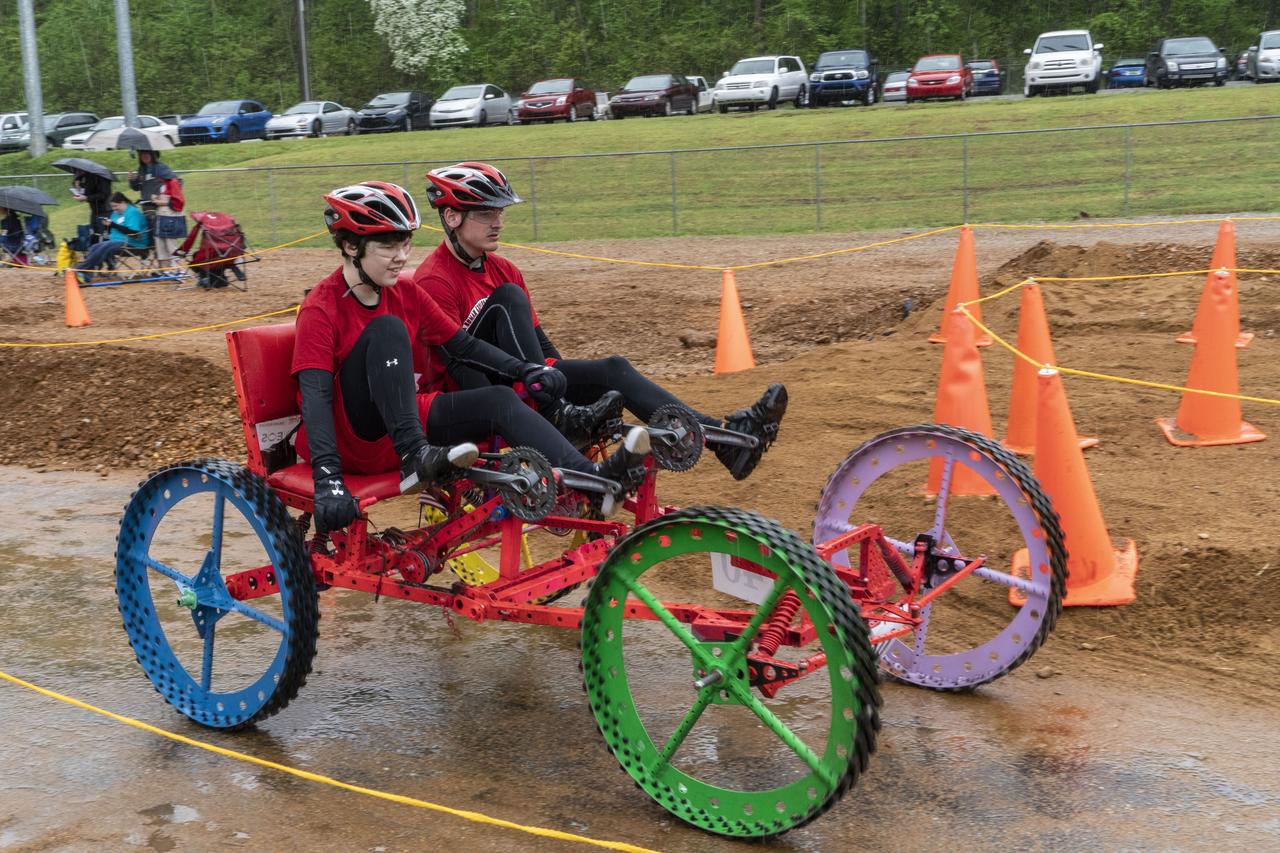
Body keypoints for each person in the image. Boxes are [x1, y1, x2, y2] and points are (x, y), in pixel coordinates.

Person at [294, 180, 650, 534]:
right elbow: (316, 398)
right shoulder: (320, 308)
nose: (401, 256)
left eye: (406, 242)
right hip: (354, 442)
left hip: (404, 423)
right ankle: (416, 456)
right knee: (387, 330)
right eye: (388, 245)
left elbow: (463, 346)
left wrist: (525, 369)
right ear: (351, 245)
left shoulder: (405, 291)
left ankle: (593, 481)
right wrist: (328, 478)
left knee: (500, 399)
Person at [412, 162, 787, 480]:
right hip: (472, 397)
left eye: (500, 212)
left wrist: (564, 386)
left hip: (527, 381)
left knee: (612, 369)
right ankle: (555, 413)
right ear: (452, 217)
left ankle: (724, 441)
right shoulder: (434, 280)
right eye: (485, 213)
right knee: (508, 300)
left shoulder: (504, 268)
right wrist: (543, 401)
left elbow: (540, 344)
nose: (497, 222)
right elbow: (459, 366)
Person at [74, 192, 149, 284]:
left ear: (123, 202)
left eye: (115, 206)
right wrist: (107, 225)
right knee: (95, 247)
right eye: (112, 206)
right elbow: (114, 228)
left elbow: (134, 233)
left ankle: (80, 269)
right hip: (117, 241)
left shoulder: (132, 212)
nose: (114, 209)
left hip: (134, 244)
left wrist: (113, 224)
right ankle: (86, 275)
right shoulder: (116, 213)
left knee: (106, 246)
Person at [128, 150, 186, 268]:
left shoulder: (161, 167)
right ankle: (162, 268)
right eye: (141, 154)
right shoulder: (142, 169)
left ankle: (174, 266)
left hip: (160, 210)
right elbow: (137, 187)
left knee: (165, 238)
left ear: (153, 155)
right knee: (155, 239)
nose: (144, 156)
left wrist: (164, 196)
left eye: (146, 154)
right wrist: (132, 180)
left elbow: (178, 182)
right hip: (146, 208)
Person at [72, 168, 113, 241]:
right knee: (93, 234)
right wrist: (78, 186)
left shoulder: (101, 176)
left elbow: (104, 194)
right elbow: (87, 190)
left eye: (80, 171)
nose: (78, 173)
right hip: (94, 211)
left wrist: (87, 198)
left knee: (105, 235)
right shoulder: (84, 176)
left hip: (105, 210)